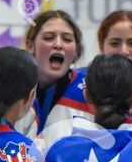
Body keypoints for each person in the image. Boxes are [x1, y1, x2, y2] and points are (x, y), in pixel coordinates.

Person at [23, 9, 91, 143]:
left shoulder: (89, 92)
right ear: (31, 46)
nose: (58, 45)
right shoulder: (14, 90)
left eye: (67, 39)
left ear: (76, 50)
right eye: (48, 38)